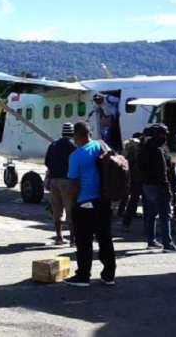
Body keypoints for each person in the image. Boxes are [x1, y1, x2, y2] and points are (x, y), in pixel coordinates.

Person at [63, 121, 116, 287]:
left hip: (85, 203)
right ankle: (109, 275)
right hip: (104, 201)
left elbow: (73, 184)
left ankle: (83, 276)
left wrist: (72, 205)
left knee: (84, 241)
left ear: (76, 136)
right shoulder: (101, 145)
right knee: (105, 239)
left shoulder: (75, 156)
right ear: (89, 133)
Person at [138, 124, 176, 253]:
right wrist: (167, 188)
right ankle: (168, 243)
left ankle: (151, 240)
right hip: (158, 186)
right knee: (164, 215)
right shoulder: (158, 150)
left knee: (151, 215)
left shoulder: (143, 149)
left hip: (147, 186)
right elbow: (162, 171)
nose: (165, 137)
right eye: (163, 134)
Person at [45, 123, 77, 246]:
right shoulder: (73, 146)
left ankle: (59, 237)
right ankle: (73, 240)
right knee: (70, 210)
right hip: (67, 180)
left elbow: (47, 162)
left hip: (54, 180)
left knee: (57, 209)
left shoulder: (53, 145)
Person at [121, 132, 145, 231]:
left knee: (132, 200)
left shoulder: (130, 149)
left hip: (134, 178)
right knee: (143, 201)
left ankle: (126, 221)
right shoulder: (138, 149)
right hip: (139, 178)